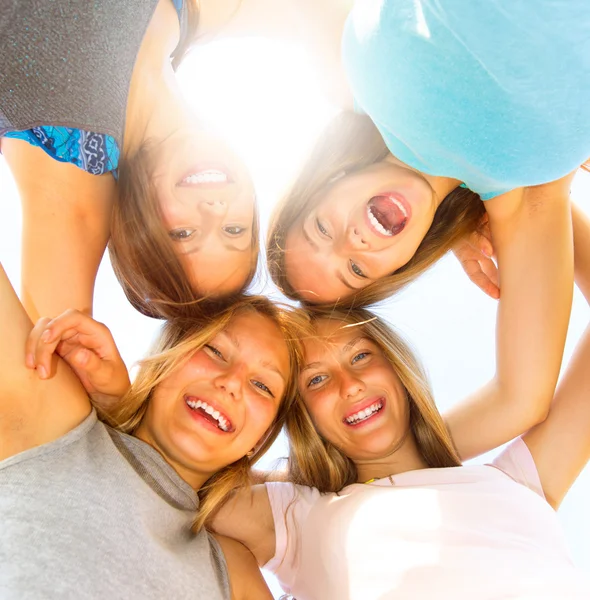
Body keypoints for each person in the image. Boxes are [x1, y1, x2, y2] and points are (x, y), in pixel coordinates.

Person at [211, 206, 590, 598]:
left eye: (360, 357)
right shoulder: (297, 516)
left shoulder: (517, 482)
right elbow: (170, 470)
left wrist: (495, 194)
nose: (350, 385)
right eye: (317, 379)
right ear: (304, 417)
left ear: (397, 368)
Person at [0, 252, 305, 598]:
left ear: (261, 438)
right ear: (167, 357)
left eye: (263, 385)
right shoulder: (56, 423)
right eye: (215, 351)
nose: (233, 383)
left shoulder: (235, 572)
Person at [266, 0, 590, 307]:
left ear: (329, 179)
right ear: (401, 264)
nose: (351, 244)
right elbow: (541, 202)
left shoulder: (351, 77)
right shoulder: (508, 187)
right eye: (356, 270)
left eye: (321, 228)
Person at [0, 0, 261, 321]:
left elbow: (47, 354)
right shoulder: (188, 17)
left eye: (183, 234)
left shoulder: (77, 154)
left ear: (138, 230)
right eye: (234, 229)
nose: (214, 211)